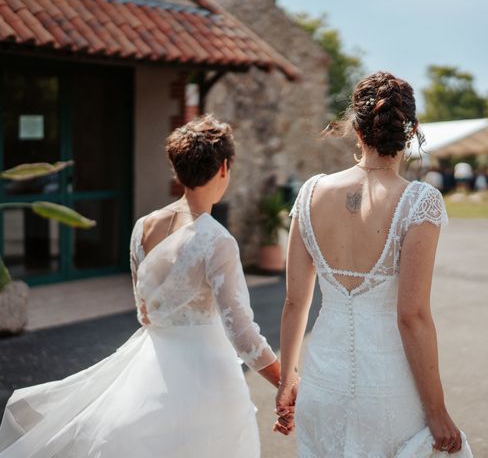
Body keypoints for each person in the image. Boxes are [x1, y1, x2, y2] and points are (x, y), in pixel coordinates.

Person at [0, 115, 285, 457]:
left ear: (176, 168)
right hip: (206, 375)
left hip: (151, 365)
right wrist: (284, 381)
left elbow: (145, 313)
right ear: (224, 167)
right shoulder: (217, 239)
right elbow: (241, 330)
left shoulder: (143, 227)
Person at [275, 72, 473, 457]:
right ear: (412, 131)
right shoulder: (420, 201)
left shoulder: (311, 192)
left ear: (356, 126)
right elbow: (412, 315)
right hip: (389, 390)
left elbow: (294, 303)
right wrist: (436, 410)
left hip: (322, 384)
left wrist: (287, 380)